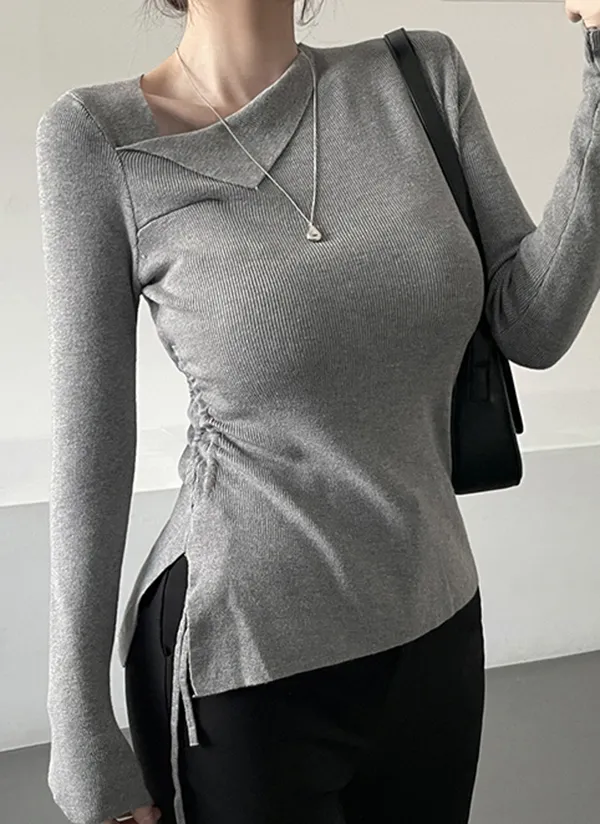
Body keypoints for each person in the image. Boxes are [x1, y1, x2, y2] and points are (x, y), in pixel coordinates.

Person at [34, 0, 600, 819]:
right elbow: (92, 444)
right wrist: (79, 724)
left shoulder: (417, 75)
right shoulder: (97, 137)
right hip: (241, 668)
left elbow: (533, 324)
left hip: (435, 628)